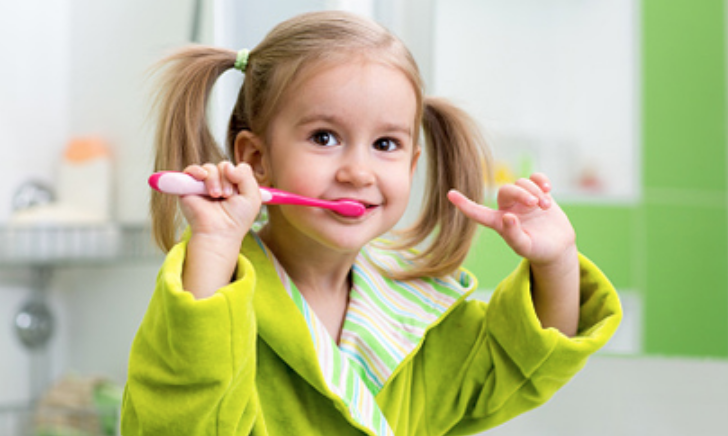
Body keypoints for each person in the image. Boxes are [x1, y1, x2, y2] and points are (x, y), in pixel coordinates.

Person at [122, 10, 621, 436]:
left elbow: (517, 365)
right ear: (256, 158)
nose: (358, 172)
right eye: (324, 137)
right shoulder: (215, 290)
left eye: (385, 145)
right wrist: (213, 244)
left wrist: (556, 260)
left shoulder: (416, 310)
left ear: (411, 164)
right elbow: (178, 420)